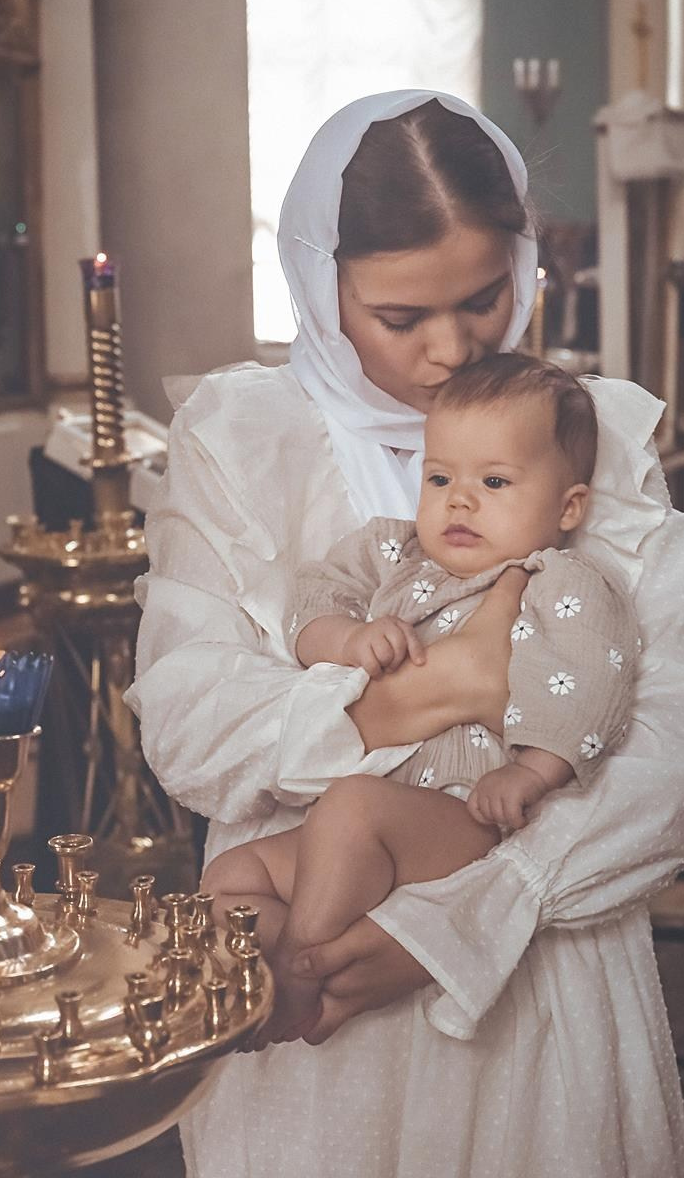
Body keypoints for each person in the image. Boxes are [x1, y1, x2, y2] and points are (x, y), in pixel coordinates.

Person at [124, 89, 684, 1177]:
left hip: (540, 971)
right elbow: (189, 722)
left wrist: (482, 912)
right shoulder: (246, 441)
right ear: (321, 290)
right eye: (400, 318)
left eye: (484, 297)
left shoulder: (584, 435)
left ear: (526, 261)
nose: (453, 350)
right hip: (307, 1023)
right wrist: (435, 691)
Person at [203, 353, 640, 1044]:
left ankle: (298, 973)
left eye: (494, 481)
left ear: (568, 506)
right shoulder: (393, 554)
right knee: (233, 873)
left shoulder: (558, 579)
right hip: (366, 821)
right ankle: (324, 963)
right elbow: (310, 599)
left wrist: (530, 771)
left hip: (462, 815)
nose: (459, 500)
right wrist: (346, 639)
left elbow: (592, 676)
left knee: (349, 806)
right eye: (440, 477)